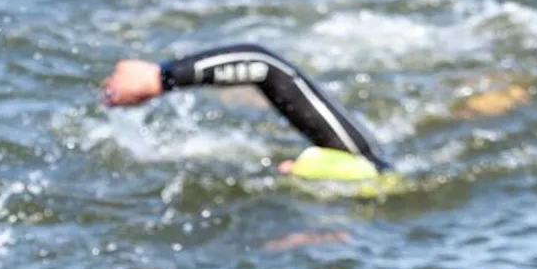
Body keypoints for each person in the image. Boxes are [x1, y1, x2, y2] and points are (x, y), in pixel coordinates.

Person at [100, 42, 401, 188]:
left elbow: (264, 65)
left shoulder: (367, 167)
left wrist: (163, 78)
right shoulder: (367, 166)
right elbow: (264, 66)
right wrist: (163, 78)